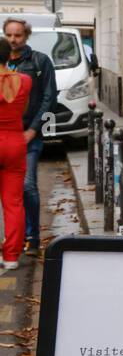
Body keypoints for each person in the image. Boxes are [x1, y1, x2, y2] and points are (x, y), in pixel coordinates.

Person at [4, 19, 56, 254]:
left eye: (18, 35)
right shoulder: (2, 61)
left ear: (26, 36)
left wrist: (33, 130)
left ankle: (32, 237)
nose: (14, 39)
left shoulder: (39, 61)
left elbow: (49, 97)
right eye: (9, 35)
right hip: (5, 135)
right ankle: (12, 238)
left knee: (27, 186)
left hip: (28, 135)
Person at [0, 39, 31, 269]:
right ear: (9, 56)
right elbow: (24, 108)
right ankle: (11, 256)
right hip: (14, 141)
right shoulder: (25, 81)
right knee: (14, 203)